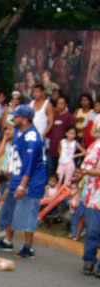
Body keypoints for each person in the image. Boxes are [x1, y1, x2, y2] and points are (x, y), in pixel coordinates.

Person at [0, 105, 48, 258]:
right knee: (10, 209)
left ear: (24, 119)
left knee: (27, 213)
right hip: (17, 176)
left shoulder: (32, 138)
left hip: (31, 181)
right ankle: (8, 241)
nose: (14, 118)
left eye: (17, 116)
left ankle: (29, 247)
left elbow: (29, 166)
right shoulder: (19, 132)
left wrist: (22, 186)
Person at [80, 137, 100, 276]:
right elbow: (86, 168)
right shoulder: (97, 146)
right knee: (93, 231)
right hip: (95, 198)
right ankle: (89, 260)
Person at [47, 95, 76, 177]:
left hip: (64, 151)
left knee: (61, 174)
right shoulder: (54, 116)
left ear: (66, 105)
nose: (59, 106)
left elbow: (71, 133)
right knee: (51, 171)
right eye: (58, 103)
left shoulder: (70, 117)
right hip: (52, 148)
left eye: (62, 104)